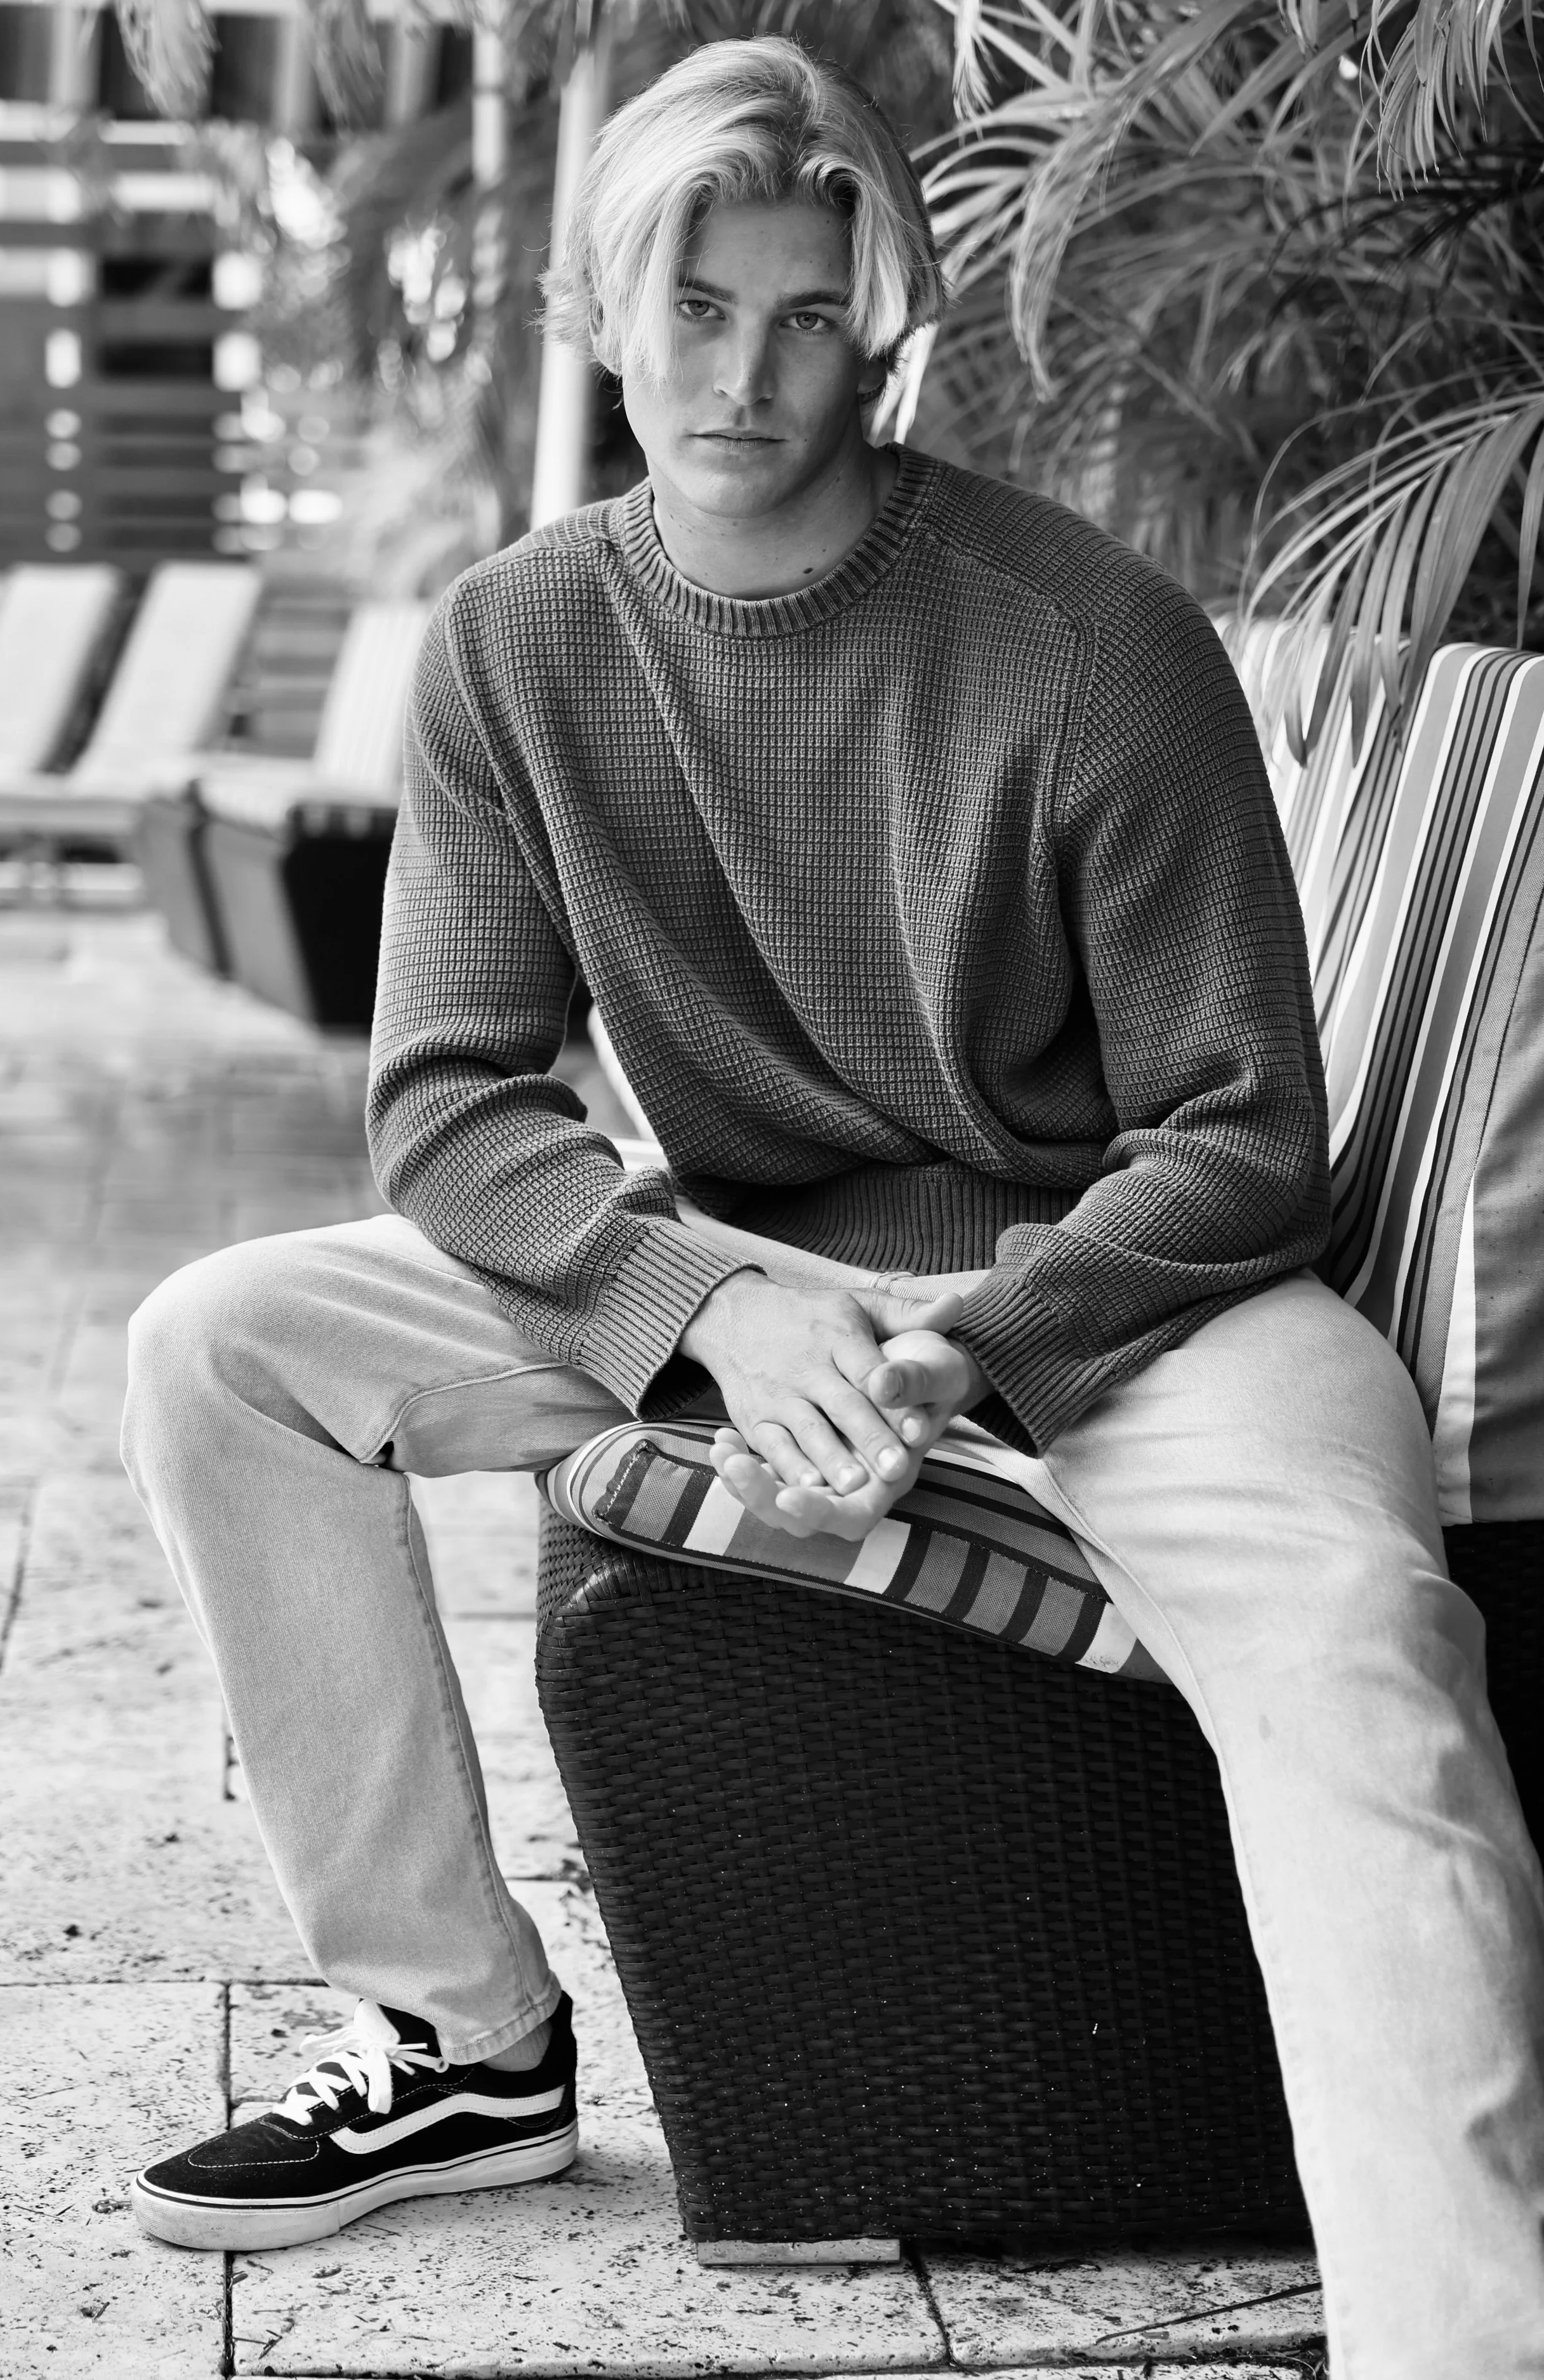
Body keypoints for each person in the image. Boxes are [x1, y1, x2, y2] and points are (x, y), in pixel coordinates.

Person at [119, 36, 1544, 2378]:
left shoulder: (1085, 639)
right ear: (603, 313)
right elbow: (456, 1101)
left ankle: (1463, 2339)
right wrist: (698, 1307)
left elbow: (1237, 1132)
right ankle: (464, 2041)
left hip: (1132, 1286)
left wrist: (973, 1340)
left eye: (806, 312)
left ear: (879, 316)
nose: (749, 375)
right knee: (226, 1345)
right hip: (742, 1253)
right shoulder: (519, 642)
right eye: (695, 310)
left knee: (1367, 1652)